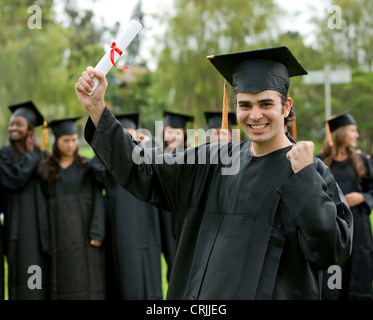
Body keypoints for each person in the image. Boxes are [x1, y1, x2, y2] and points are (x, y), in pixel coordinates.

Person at [75, 46, 353, 299]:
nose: (255, 115)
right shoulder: (214, 160)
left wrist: (304, 178)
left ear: (286, 106)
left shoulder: (309, 170)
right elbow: (145, 168)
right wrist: (98, 109)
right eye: (245, 105)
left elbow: (332, 250)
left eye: (265, 104)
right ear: (236, 108)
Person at [95, 112, 165, 300]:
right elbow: (96, 171)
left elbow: (162, 164)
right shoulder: (109, 157)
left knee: (150, 275)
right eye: (123, 133)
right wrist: (112, 146)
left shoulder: (148, 152)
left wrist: (146, 144)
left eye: (131, 133)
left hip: (148, 226)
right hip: (122, 228)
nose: (128, 137)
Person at [37, 117, 106, 300]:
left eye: (74, 139)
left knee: (90, 282)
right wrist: (47, 241)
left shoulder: (86, 167)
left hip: (86, 236)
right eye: (65, 140)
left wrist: (98, 231)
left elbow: (99, 198)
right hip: (59, 237)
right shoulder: (46, 171)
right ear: (56, 141)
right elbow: (42, 208)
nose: (71, 145)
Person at [317, 112, 373, 300]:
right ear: (340, 133)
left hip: (359, 230)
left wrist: (362, 197)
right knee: (332, 279)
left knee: (357, 275)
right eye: (352, 131)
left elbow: (372, 190)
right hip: (332, 229)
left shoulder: (361, 161)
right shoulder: (320, 162)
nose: (356, 135)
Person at [0, 101, 50, 299]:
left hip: (38, 229)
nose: (13, 128)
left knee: (35, 278)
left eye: (18, 124)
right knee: (20, 279)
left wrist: (32, 154)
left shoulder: (43, 156)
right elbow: (16, 180)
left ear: (30, 128)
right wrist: (30, 155)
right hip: (15, 227)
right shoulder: (4, 155)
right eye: (11, 124)